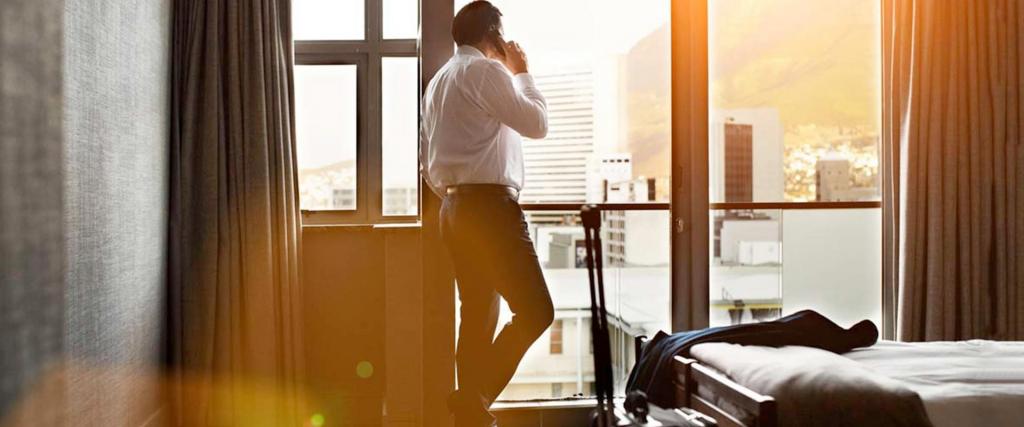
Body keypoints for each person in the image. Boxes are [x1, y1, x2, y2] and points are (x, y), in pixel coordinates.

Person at [420, 1, 554, 425]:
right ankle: (472, 400)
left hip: (454, 208)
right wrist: (522, 71)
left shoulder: (440, 81)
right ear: (492, 33)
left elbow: (427, 163)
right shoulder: (486, 72)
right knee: (536, 311)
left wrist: (455, 195)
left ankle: (470, 417)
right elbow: (536, 124)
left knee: (476, 314)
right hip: (489, 210)